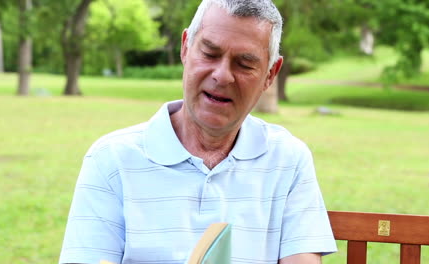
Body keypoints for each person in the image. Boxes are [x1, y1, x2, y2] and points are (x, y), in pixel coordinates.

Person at [59, 0, 337, 263]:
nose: (222, 75)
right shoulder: (110, 160)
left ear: (270, 74)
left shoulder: (288, 160)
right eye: (209, 53)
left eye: (244, 64)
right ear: (185, 48)